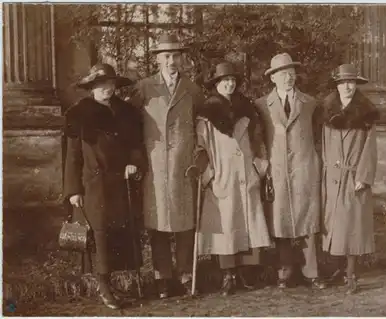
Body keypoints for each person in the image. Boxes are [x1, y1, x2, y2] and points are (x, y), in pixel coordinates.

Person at [128, 33, 204, 299]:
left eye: (176, 56)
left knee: (184, 223)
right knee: (157, 223)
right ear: (158, 59)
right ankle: (162, 278)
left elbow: (201, 126)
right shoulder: (144, 88)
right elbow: (130, 126)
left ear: (183, 59)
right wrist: (136, 158)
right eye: (167, 56)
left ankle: (185, 275)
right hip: (155, 166)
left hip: (184, 167)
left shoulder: (193, 90)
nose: (172, 61)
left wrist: (199, 156)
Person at [63, 63, 145, 309]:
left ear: (115, 86)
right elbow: (72, 156)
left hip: (121, 182)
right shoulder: (79, 114)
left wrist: (134, 163)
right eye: (99, 85)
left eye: (109, 84)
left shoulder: (127, 112)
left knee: (119, 231)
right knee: (99, 233)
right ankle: (103, 285)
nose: (105, 89)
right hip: (93, 184)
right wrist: (73, 190)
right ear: (91, 88)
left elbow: (136, 145)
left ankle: (116, 284)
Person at [194, 62, 272, 296]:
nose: (229, 84)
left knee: (248, 221)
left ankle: (247, 273)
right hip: (223, 174)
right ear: (216, 84)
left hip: (245, 172)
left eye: (232, 81)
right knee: (226, 224)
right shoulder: (207, 112)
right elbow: (200, 146)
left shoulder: (246, 108)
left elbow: (258, 139)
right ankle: (228, 275)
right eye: (224, 80)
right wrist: (209, 173)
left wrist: (259, 167)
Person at [254, 53, 326, 290]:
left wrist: (316, 161)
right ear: (273, 78)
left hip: (305, 169)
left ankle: (312, 273)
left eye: (291, 73)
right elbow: (257, 139)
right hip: (278, 170)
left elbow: (320, 137)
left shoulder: (310, 103)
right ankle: (284, 272)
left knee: (308, 220)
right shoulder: (262, 105)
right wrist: (264, 166)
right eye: (282, 74)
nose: (288, 78)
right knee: (280, 221)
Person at [321, 64, 379, 294]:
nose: (347, 86)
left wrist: (363, 177)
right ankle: (339, 269)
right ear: (336, 85)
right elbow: (324, 144)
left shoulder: (366, 113)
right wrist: (326, 170)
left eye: (351, 82)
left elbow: (370, 148)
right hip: (333, 176)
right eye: (343, 82)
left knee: (352, 226)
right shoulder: (327, 110)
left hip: (353, 176)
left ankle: (351, 273)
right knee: (334, 226)